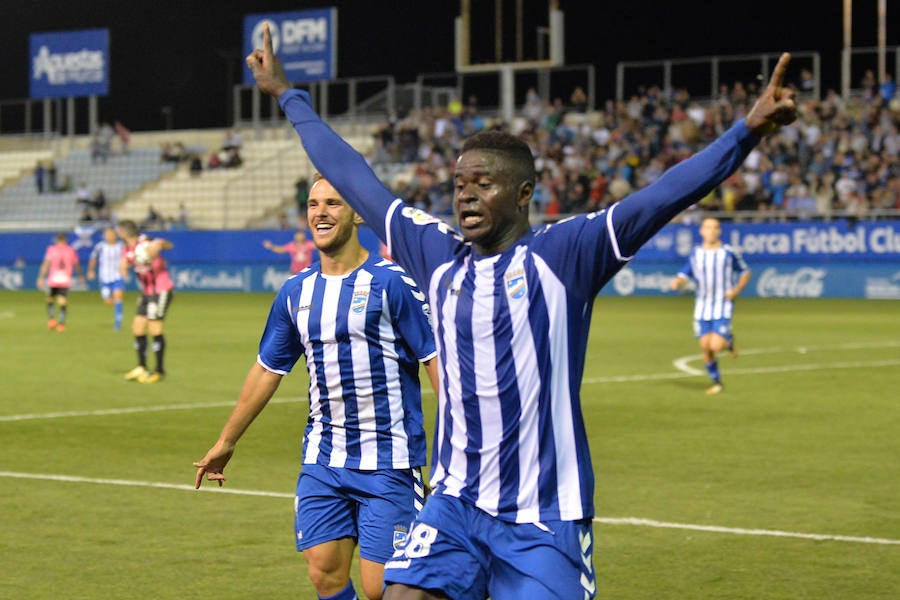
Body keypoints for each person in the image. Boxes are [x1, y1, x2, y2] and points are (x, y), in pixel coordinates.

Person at [248, 25, 797, 599]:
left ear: (524, 193)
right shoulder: (432, 253)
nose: (465, 196)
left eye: (483, 184)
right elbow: (353, 173)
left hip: (544, 517)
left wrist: (748, 128)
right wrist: (289, 94)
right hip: (454, 506)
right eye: (460, 185)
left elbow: (663, 195)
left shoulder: (567, 255)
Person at [194, 174, 439, 600]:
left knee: (384, 590)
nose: (320, 213)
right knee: (324, 572)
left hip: (389, 460)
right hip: (323, 458)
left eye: (333, 203)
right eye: (312, 204)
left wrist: (456, 452)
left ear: (359, 212)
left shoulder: (392, 282)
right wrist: (226, 440)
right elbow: (267, 369)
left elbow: (436, 363)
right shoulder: (295, 291)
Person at [669, 217, 751, 394]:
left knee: (715, 346)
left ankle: (728, 341)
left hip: (723, 305)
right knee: (705, 347)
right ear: (701, 231)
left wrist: (736, 291)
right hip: (702, 306)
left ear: (719, 231)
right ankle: (717, 382)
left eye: (715, 228)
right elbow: (685, 274)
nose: (711, 231)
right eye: (707, 227)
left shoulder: (728, 252)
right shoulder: (696, 253)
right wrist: (678, 282)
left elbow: (745, 272)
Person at [118, 219, 174, 384]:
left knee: (154, 326)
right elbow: (123, 264)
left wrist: (157, 247)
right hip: (147, 292)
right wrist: (124, 268)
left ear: (123, 232)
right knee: (137, 326)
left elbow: (166, 245)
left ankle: (159, 370)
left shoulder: (146, 242)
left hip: (161, 290)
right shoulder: (127, 248)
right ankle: (141, 366)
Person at [36, 232, 85, 332]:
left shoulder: (51, 249)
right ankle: (61, 324)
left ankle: (52, 319)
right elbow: (76, 264)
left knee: (50, 299)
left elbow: (46, 264)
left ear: (57, 240)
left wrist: (40, 277)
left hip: (53, 278)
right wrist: (80, 275)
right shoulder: (71, 250)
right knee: (62, 300)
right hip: (65, 279)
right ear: (65, 240)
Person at [87, 226, 126, 331]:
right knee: (108, 301)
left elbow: (127, 258)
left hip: (118, 276)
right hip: (104, 278)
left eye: (111, 234)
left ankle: (118, 323)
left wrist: (126, 268)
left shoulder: (121, 246)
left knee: (118, 297)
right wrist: (91, 270)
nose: (109, 236)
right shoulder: (100, 246)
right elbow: (93, 259)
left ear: (115, 235)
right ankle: (112, 304)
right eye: (107, 234)